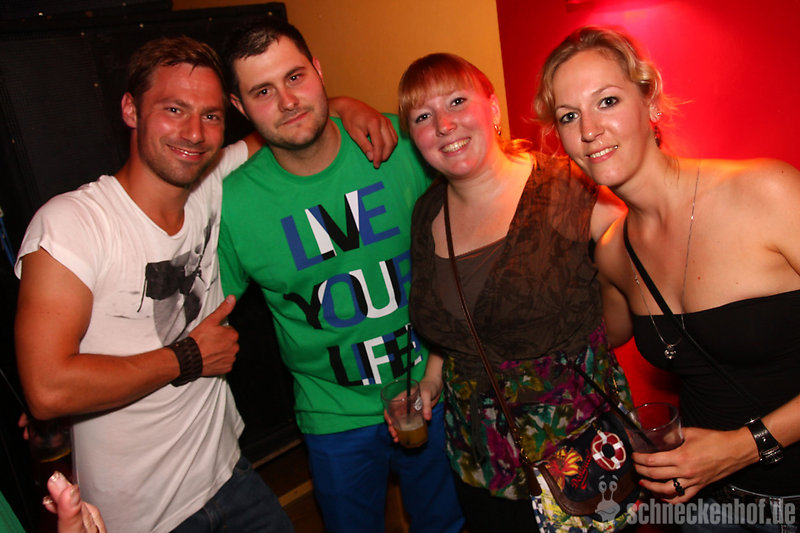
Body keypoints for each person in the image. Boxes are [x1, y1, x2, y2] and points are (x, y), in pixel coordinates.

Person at [13, 34, 396, 533]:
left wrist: (345, 105)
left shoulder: (211, 187)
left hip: (229, 476)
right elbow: (47, 388)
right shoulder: (74, 224)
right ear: (130, 109)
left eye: (210, 115)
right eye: (174, 109)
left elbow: (288, 124)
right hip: (140, 517)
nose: (194, 132)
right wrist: (188, 357)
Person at [534, 25, 800, 530]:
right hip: (704, 506)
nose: (589, 129)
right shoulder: (613, 250)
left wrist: (744, 446)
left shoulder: (767, 193)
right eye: (569, 115)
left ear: (650, 102)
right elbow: (599, 333)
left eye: (607, 101)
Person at [218, 17, 464, 533]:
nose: (287, 101)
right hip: (332, 418)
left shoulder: (399, 144)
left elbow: (469, 240)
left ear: (318, 71)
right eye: (263, 91)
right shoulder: (234, 206)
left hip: (434, 389)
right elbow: (199, 315)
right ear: (240, 107)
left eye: (295, 77)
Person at [396, 53, 631, 531]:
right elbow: (457, 321)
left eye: (457, 101)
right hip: (476, 462)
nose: (443, 125)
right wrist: (432, 379)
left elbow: (640, 280)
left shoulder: (569, 188)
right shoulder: (426, 213)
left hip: (577, 458)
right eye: (422, 116)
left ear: (493, 108)